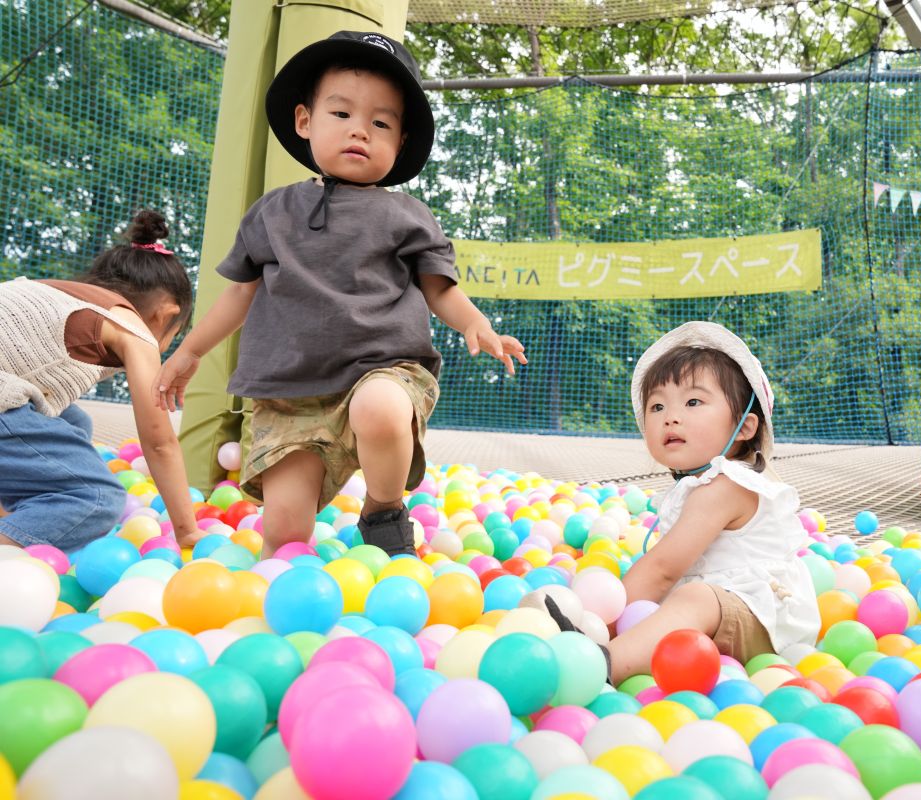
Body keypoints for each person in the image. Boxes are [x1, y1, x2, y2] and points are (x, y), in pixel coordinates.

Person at [155, 31, 525, 559]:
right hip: (289, 395)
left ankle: (382, 506)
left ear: (399, 143)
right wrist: (190, 351)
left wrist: (475, 324)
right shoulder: (271, 213)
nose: (360, 131)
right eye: (342, 114)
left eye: (380, 123)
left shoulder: (407, 216)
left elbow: (440, 288)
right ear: (305, 121)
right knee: (283, 533)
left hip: (382, 370)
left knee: (379, 407)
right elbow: (239, 295)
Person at [545, 322, 819, 683]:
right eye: (657, 406)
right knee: (680, 598)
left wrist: (599, 619)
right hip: (718, 616)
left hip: (763, 620)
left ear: (746, 427)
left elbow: (663, 569)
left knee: (694, 598)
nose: (670, 416)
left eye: (693, 402)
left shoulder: (726, 486)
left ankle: (603, 663)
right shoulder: (696, 486)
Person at [0, 210, 200, 552]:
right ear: (165, 315)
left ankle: (26, 511)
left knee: (72, 419)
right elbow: (159, 442)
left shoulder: (57, 292)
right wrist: (187, 532)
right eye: (174, 336)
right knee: (96, 497)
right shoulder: (134, 330)